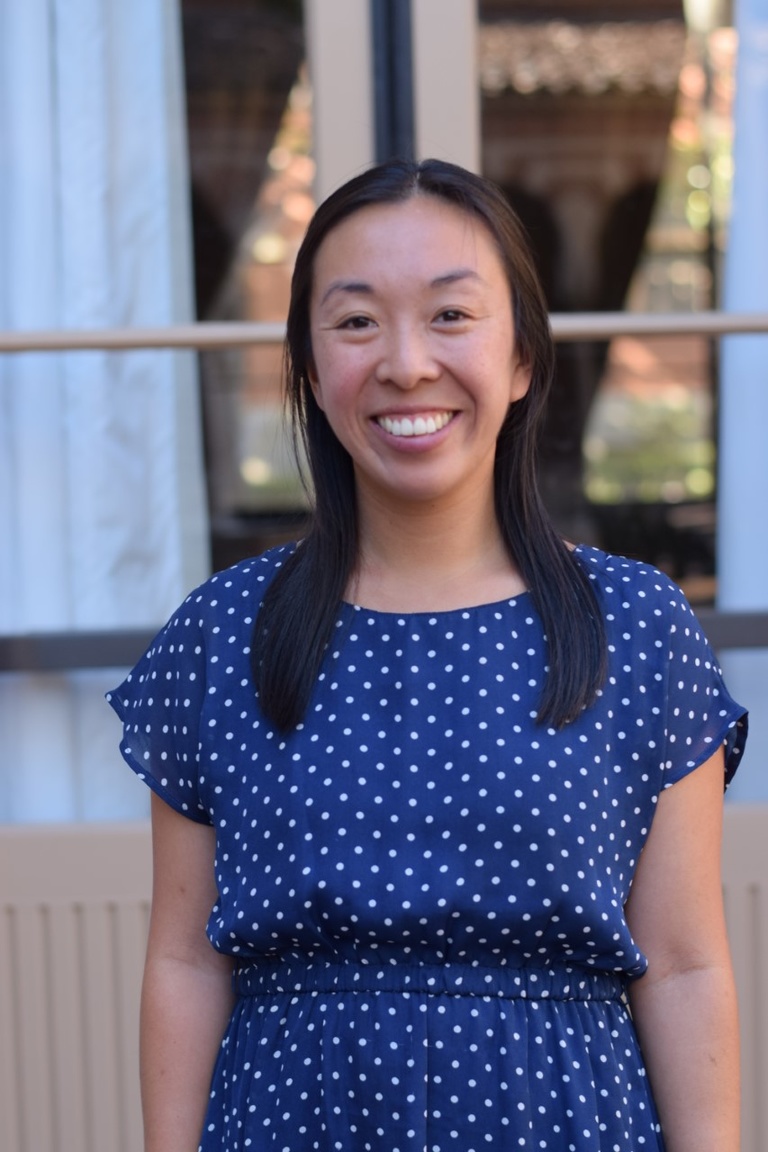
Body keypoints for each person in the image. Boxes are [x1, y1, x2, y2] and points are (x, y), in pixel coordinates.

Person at [108, 158, 747, 1152]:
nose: (406, 364)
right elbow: (187, 961)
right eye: (357, 321)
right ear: (312, 371)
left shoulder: (637, 626)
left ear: (524, 357)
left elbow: (683, 963)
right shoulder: (222, 634)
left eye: (452, 316)